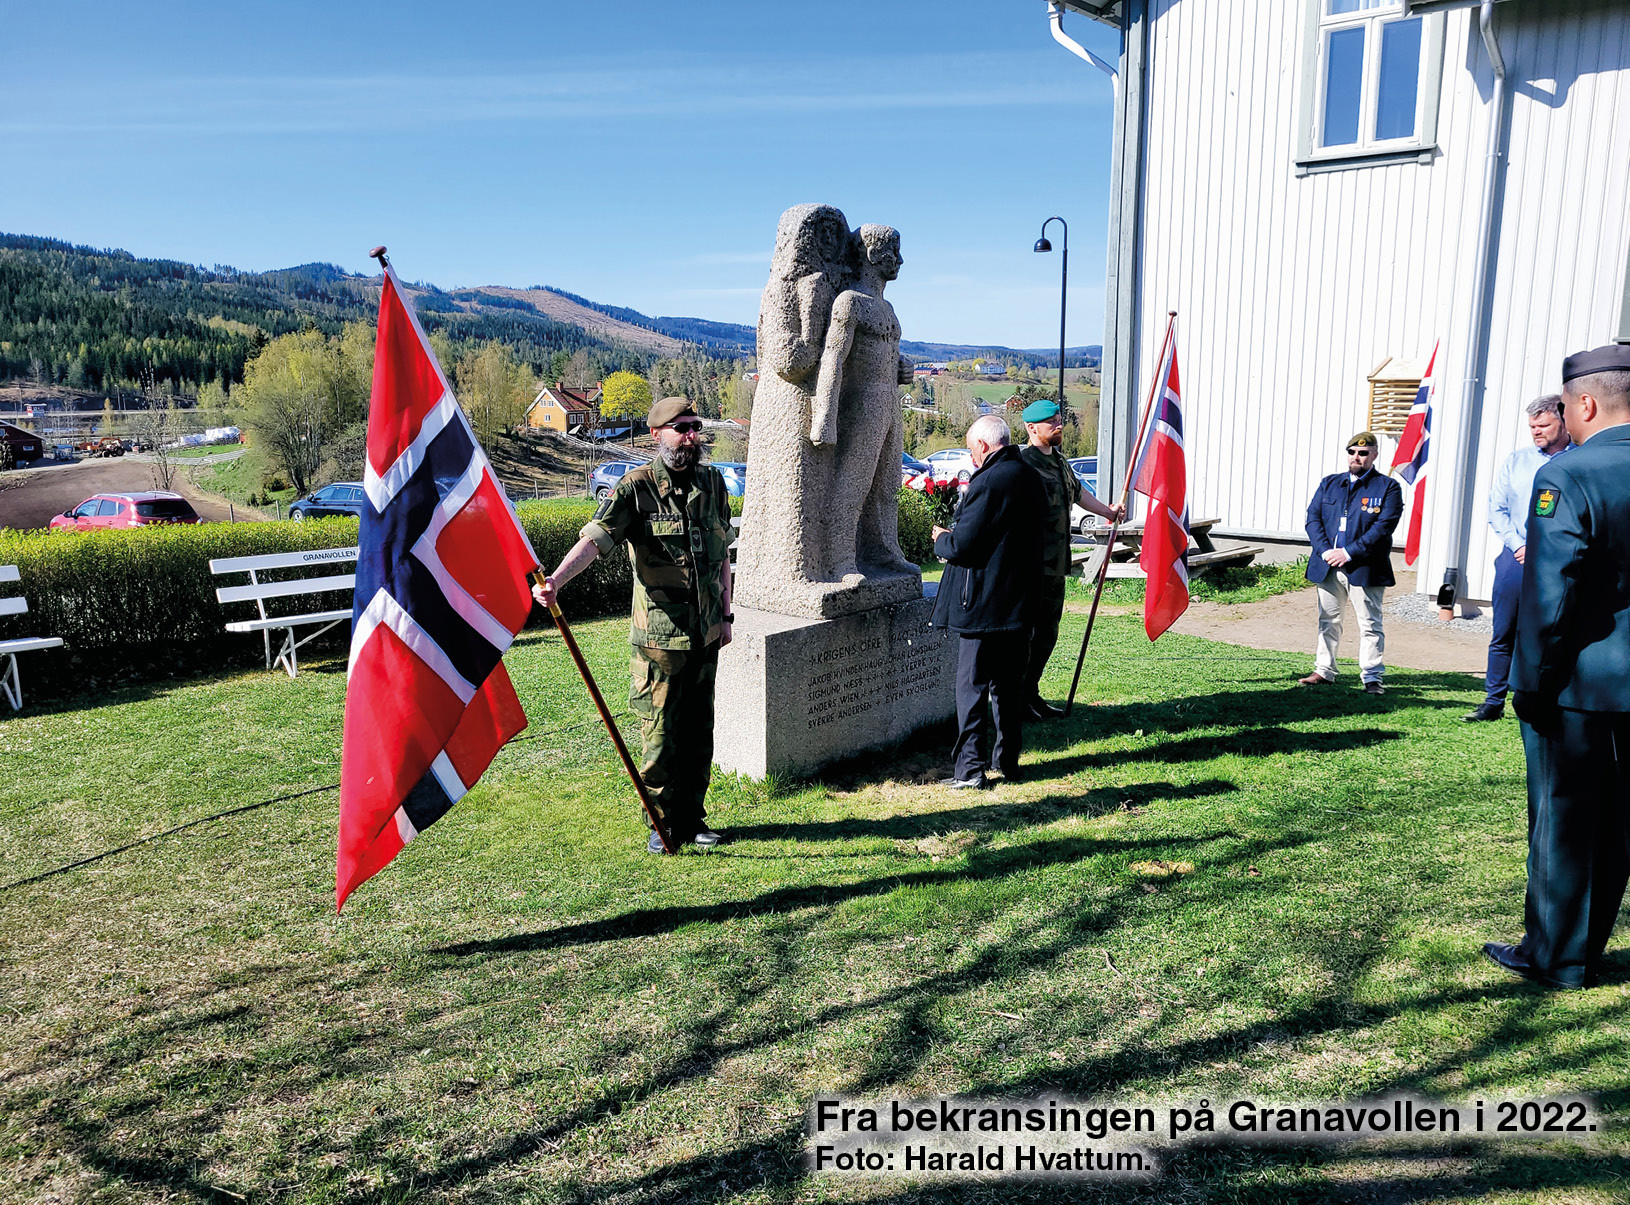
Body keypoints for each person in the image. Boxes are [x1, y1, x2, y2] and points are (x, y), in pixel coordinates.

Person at [1485, 344, 1630, 990]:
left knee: (1562, 821)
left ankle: (1557, 957)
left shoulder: (1566, 477)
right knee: (1618, 825)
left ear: (1586, 402)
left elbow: (1551, 595)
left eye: (1566, 405)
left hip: (1578, 685)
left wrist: (1530, 684)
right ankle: (1586, 945)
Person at [532, 397, 735, 853]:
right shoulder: (635, 488)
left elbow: (723, 556)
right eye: (680, 427)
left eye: (694, 427)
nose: (690, 435)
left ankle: (692, 818)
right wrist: (557, 583)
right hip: (659, 640)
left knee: (700, 732)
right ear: (655, 435)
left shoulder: (712, 482)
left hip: (705, 635)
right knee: (660, 734)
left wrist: (726, 616)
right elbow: (594, 541)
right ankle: (661, 825)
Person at [929, 414, 1047, 789]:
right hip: (1019, 603)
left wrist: (941, 539)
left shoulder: (990, 481)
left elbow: (965, 544)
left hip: (981, 603)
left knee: (972, 687)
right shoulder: (1030, 475)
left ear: (982, 445)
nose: (970, 455)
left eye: (970, 448)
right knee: (1008, 689)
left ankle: (969, 771)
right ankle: (1007, 763)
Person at [1464, 396, 1572, 722]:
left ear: (1563, 421)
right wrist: (1516, 544)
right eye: (1532, 427)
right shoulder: (1517, 461)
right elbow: (1496, 509)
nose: (1536, 432)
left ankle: (1545, 702)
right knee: (1504, 631)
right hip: (1517, 558)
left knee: (1553, 632)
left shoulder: (1580, 460)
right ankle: (1493, 701)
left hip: (1560, 561)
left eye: (1543, 426)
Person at [1017, 398, 1124, 718]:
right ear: (1032, 428)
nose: (1058, 424)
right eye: (1051, 421)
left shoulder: (1061, 461)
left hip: (1057, 564)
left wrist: (1108, 512)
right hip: (1030, 566)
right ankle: (1016, 698)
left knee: (1048, 633)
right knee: (1026, 635)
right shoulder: (1022, 463)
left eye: (1060, 418)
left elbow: (1077, 492)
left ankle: (1031, 693)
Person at [1299, 432, 1403, 695]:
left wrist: (1348, 553)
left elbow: (1383, 528)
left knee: (1370, 623)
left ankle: (1372, 676)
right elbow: (1313, 519)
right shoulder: (1330, 483)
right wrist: (1325, 551)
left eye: (1363, 453)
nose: (1357, 457)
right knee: (1328, 619)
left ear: (1374, 455)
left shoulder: (1388, 487)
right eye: (1352, 452)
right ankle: (1324, 670)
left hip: (1364, 566)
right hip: (1328, 565)